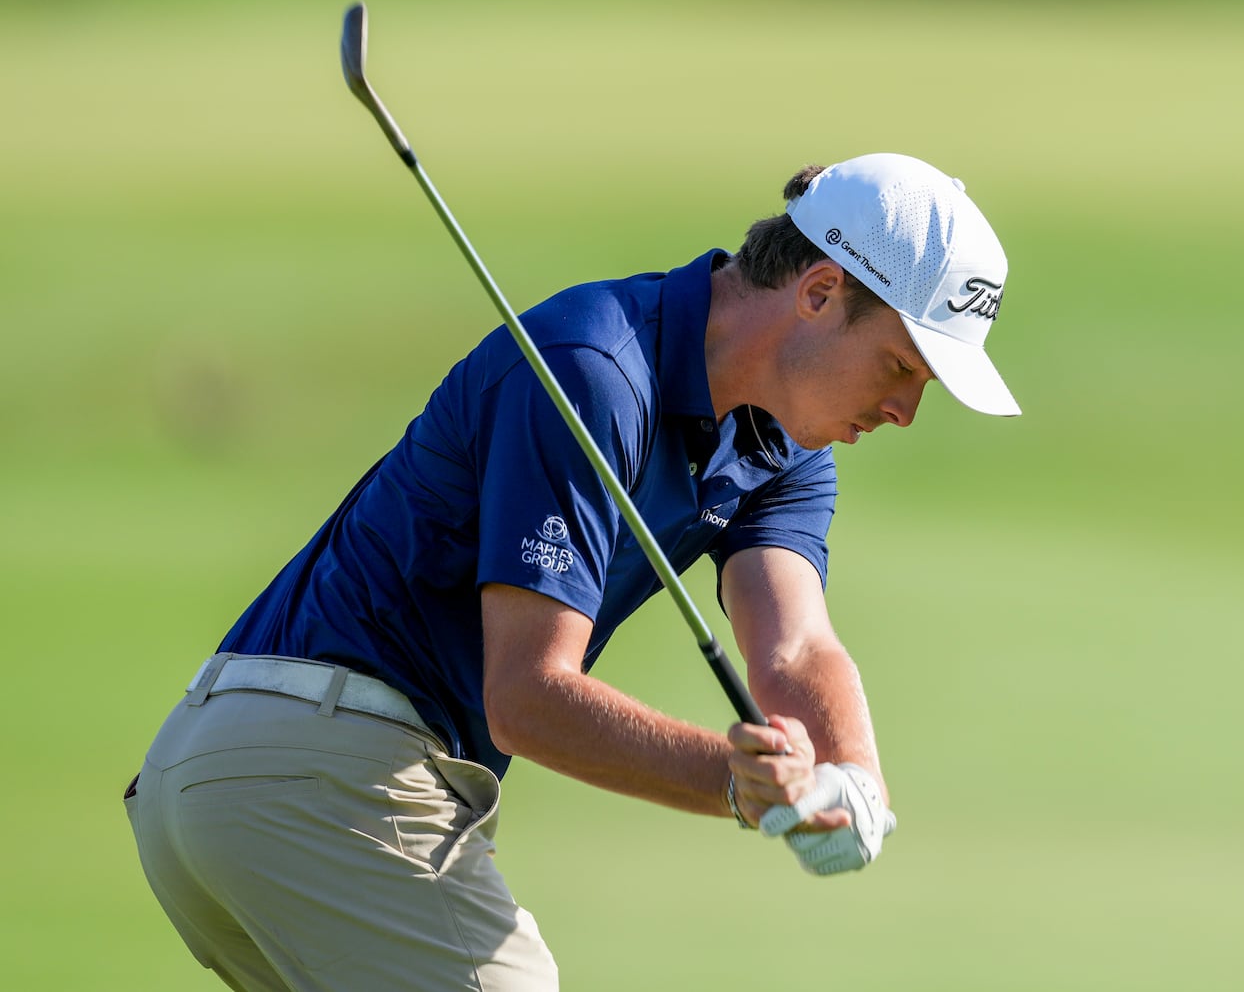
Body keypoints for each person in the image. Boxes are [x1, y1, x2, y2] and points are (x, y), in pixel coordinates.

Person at [124, 152, 1019, 990]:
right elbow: (528, 697)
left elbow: (794, 644)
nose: (905, 408)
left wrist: (852, 784)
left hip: (240, 786)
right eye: (900, 365)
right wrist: (738, 785)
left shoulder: (782, 444)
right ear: (820, 292)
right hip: (320, 774)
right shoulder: (594, 368)